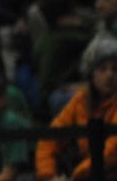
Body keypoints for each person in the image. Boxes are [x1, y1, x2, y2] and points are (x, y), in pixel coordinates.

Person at [35, 34, 117, 181]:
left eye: (115, 69)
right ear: (91, 73)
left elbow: (110, 153)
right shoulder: (80, 100)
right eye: (102, 69)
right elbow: (50, 139)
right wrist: (48, 176)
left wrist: (74, 177)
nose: (110, 75)